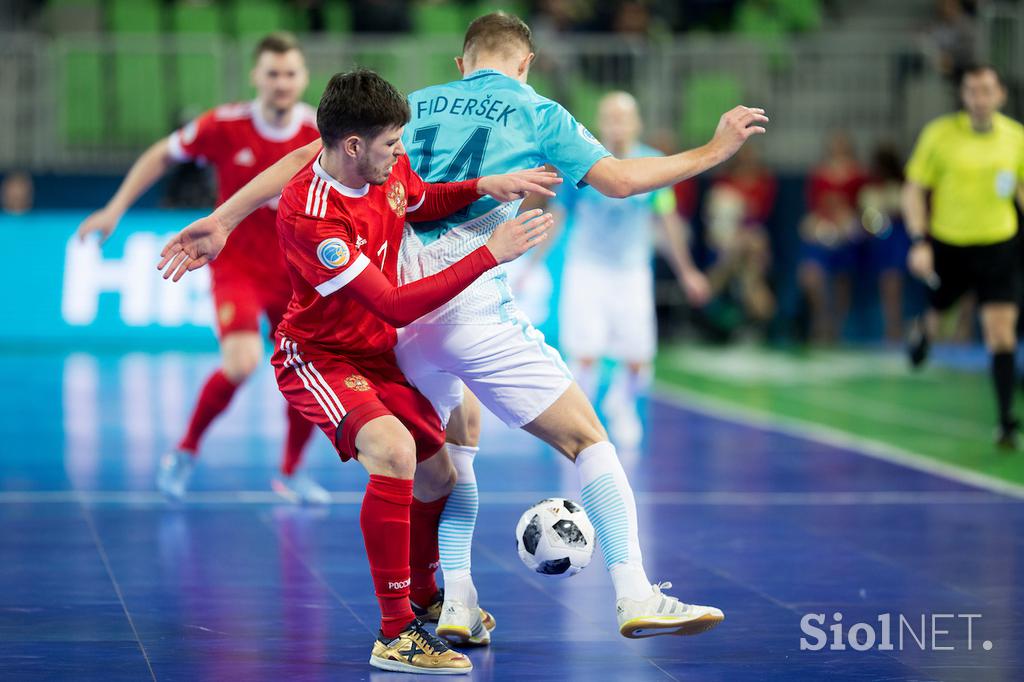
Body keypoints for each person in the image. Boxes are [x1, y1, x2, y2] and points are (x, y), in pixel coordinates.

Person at [159, 11, 765, 647]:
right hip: (465, 302)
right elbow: (618, 181)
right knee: (589, 440)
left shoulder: (410, 107)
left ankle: (457, 601)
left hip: (401, 314)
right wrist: (714, 151)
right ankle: (636, 592)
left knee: (451, 456)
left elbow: (308, 159)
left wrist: (223, 217)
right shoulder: (539, 112)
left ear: (461, 63)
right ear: (524, 65)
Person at [164, 69, 561, 674]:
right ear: (352, 146)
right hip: (321, 356)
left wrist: (487, 182)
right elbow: (396, 304)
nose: (400, 154)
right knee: (395, 453)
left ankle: (425, 598)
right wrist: (491, 252)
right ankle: (395, 633)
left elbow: (420, 197)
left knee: (438, 477)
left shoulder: (379, 164)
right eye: (390, 144)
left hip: (376, 353)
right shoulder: (310, 217)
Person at [76, 33, 329, 503]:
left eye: (290, 73)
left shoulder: (318, 132)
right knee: (243, 362)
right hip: (236, 268)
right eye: (272, 73)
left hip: (296, 272)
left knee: (307, 368)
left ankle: (292, 472)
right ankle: (185, 451)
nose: (281, 83)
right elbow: (160, 155)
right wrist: (115, 209)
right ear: (256, 76)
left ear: (303, 78)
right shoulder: (224, 125)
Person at [555, 91, 710, 452]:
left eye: (624, 117)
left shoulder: (653, 163)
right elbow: (559, 218)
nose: (617, 124)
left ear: (637, 123)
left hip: (631, 272)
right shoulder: (580, 160)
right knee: (585, 353)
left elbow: (667, 220)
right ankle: (581, 424)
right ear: (600, 122)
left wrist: (687, 272)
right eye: (610, 117)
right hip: (587, 269)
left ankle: (622, 405)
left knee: (639, 357)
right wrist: (527, 265)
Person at [903, 64, 1024, 448]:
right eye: (972, 91)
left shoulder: (1016, 138)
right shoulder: (939, 135)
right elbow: (913, 190)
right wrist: (920, 240)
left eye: (987, 90)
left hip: (998, 244)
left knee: (1000, 330)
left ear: (1000, 94)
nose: (980, 98)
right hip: (949, 244)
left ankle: (1005, 421)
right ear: (964, 96)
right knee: (939, 320)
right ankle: (923, 332)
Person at [798, 130, 868, 343]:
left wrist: (846, 217)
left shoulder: (859, 174)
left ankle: (836, 328)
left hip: (848, 230)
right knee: (811, 275)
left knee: (842, 280)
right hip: (822, 229)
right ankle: (821, 319)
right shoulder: (819, 174)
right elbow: (813, 203)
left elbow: (863, 204)